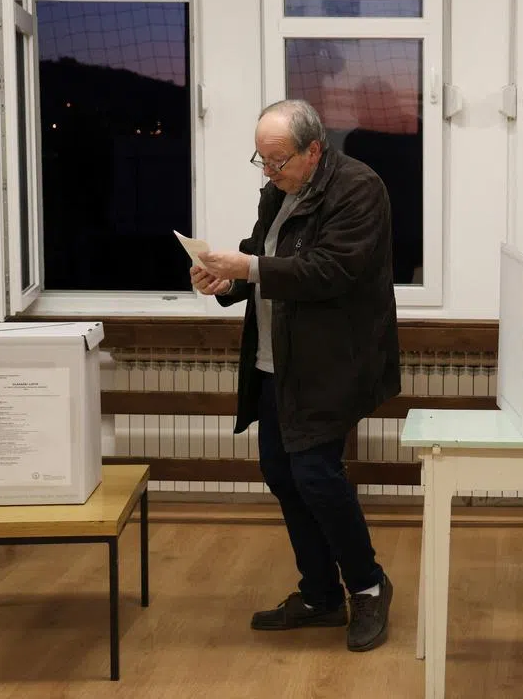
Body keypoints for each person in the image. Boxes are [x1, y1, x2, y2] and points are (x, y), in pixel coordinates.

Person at [190, 99, 400, 652]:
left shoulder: (359, 188)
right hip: (273, 361)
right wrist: (226, 282)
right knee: (282, 473)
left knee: (317, 476)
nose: (269, 173)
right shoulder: (280, 189)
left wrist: (249, 269)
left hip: (330, 364)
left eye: (277, 161)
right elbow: (264, 255)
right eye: (261, 161)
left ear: (314, 149)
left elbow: (331, 271)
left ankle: (369, 586)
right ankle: (320, 595)